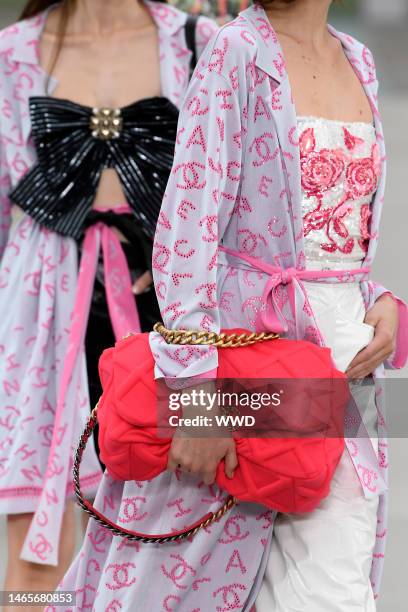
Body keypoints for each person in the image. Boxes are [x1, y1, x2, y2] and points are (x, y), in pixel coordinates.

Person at [59, 1, 408, 610]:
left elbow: (336, 237)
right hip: (245, 371)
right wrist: (194, 398)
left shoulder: (360, 59)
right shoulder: (236, 50)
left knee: (334, 579)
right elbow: (187, 236)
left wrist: (380, 301)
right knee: (189, 581)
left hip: (342, 366)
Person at [0, 0, 217, 597]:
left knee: (175, 535)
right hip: (40, 315)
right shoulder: (11, 53)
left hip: (173, 320)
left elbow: (240, 199)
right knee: (33, 549)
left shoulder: (202, 41)